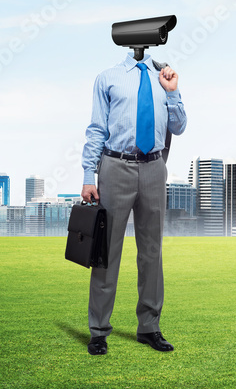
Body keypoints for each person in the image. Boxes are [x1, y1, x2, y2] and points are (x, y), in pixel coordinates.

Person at [80, 53, 187, 356]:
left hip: (154, 167)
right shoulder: (108, 77)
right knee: (106, 252)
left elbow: (178, 127)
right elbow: (97, 128)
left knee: (152, 252)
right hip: (115, 167)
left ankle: (149, 327)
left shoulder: (164, 77)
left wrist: (173, 92)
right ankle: (99, 331)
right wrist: (89, 174)